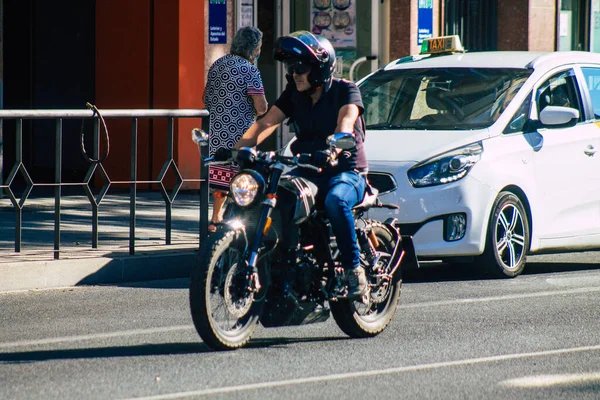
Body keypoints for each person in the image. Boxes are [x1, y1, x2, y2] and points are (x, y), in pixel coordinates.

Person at [232, 30, 369, 300]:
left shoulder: (345, 90)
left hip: (345, 171)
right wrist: (239, 149)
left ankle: (354, 270)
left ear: (320, 67)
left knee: (335, 201)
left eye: (301, 68)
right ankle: (286, 260)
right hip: (307, 170)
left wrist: (332, 147)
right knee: (277, 196)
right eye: (292, 68)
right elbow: (266, 123)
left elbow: (346, 122)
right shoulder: (294, 94)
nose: (295, 74)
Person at [204, 26, 268, 233]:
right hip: (242, 135)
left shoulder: (218, 64)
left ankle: (215, 221)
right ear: (254, 49)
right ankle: (240, 224)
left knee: (221, 177)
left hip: (218, 131)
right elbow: (261, 107)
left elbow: (206, 99)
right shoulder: (250, 70)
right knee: (243, 178)